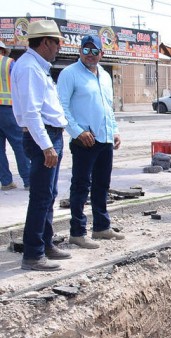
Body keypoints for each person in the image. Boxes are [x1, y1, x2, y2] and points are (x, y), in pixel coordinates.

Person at [11, 20, 71, 271]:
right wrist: (47, 146)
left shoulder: (37, 66)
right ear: (46, 41)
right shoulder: (29, 69)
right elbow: (32, 112)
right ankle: (33, 254)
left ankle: (45, 243)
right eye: (57, 42)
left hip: (50, 135)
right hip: (42, 138)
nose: (59, 47)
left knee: (49, 195)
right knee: (40, 197)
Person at [57, 35, 123, 250]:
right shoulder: (70, 74)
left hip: (104, 139)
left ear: (101, 54)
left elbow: (108, 107)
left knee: (102, 184)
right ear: (80, 51)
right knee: (81, 186)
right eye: (86, 50)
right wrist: (77, 132)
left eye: (95, 51)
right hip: (85, 140)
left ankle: (101, 227)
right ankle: (77, 232)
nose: (90, 55)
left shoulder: (104, 75)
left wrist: (114, 131)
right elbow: (62, 107)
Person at [0, 40, 30, 191]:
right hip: (8, 109)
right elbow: (20, 85)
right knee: (19, 145)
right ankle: (28, 180)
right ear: (4, 51)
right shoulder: (9, 63)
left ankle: (6, 182)